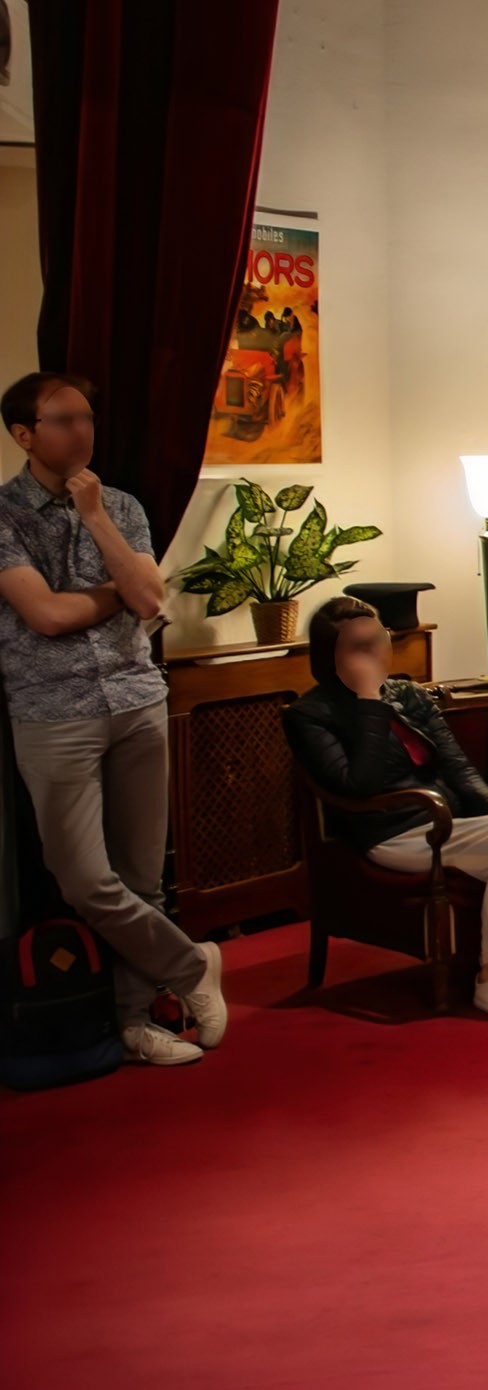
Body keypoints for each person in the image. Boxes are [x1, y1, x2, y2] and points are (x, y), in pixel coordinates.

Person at [0, 371, 224, 1067]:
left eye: (87, 418)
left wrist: (95, 516)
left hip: (136, 701)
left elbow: (151, 600)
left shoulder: (120, 505)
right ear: (24, 434)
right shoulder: (4, 515)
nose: (82, 430)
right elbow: (45, 615)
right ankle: (192, 965)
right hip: (53, 712)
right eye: (64, 419)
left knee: (141, 879)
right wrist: (115, 593)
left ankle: (136, 1024)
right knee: (83, 879)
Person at [284, 598, 488, 1021]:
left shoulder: (406, 693)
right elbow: (359, 786)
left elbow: (458, 768)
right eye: (358, 647)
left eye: (377, 640)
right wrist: (368, 703)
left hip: (448, 820)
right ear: (331, 656)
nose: (374, 653)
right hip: (392, 831)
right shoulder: (311, 714)